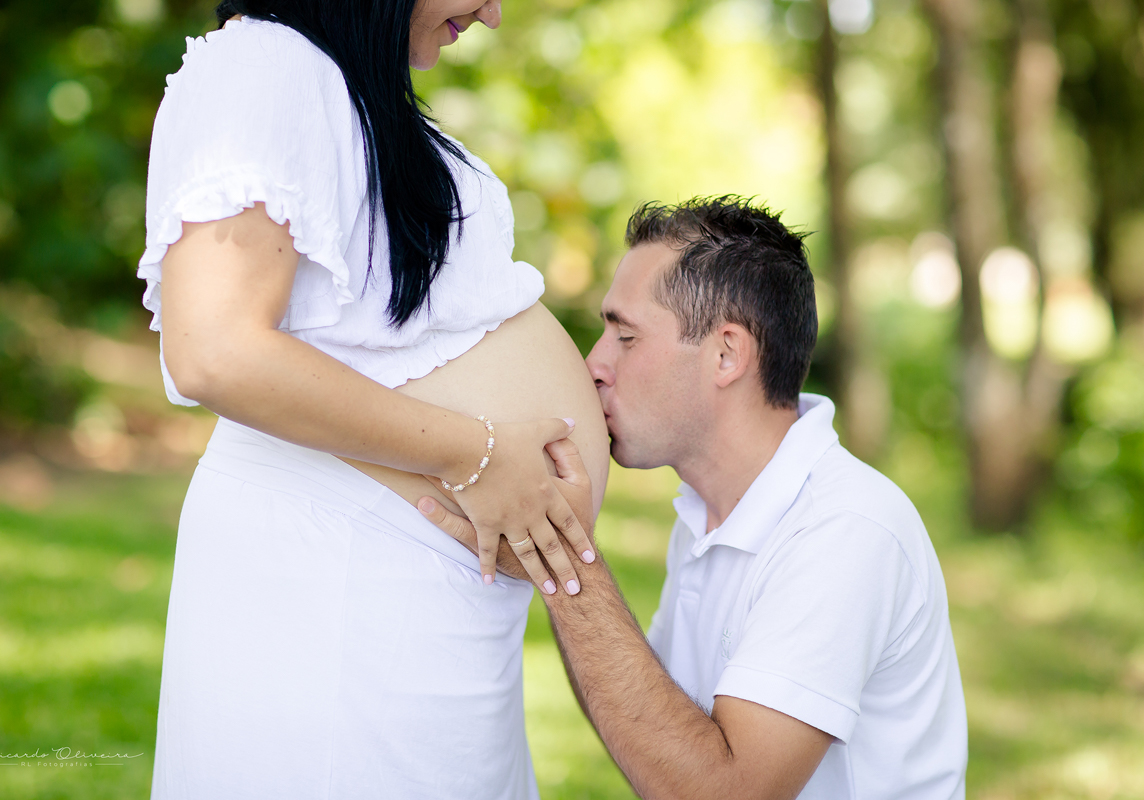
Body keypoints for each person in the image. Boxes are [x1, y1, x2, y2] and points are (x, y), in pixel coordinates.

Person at [138, 0, 609, 797]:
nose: (493, 13)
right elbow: (215, 350)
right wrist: (476, 455)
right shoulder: (264, 63)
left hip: (411, 604)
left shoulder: (332, 86)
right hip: (336, 595)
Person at [422, 196, 969, 800]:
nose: (593, 364)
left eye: (626, 336)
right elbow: (650, 737)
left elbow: (720, 791)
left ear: (727, 354)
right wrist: (553, 548)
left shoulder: (846, 531)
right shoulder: (708, 513)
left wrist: (564, 561)